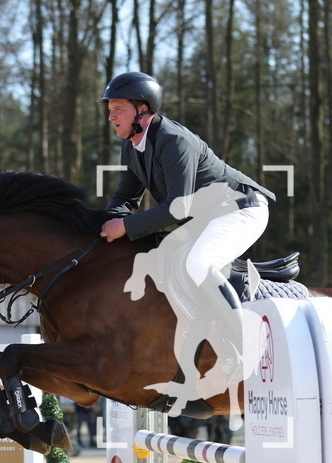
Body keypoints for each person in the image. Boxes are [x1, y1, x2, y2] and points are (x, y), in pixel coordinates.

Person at [98, 71, 276, 384]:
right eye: (109, 108)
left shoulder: (173, 140)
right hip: (207, 218)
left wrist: (124, 225)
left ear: (143, 109)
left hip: (240, 208)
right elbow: (125, 199)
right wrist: (97, 227)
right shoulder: (132, 147)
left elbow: (179, 208)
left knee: (198, 263)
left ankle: (246, 346)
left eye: (118, 109)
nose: (111, 116)